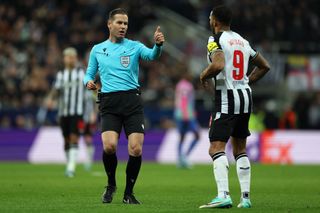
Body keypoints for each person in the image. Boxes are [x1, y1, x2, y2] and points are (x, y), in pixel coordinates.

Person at [83, 8, 165, 204]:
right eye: (119, 23)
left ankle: (129, 193)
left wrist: (158, 45)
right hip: (109, 102)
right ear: (109, 24)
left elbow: (152, 56)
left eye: (125, 24)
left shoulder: (135, 46)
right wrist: (88, 82)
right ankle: (111, 184)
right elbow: (89, 73)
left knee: (136, 149)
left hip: (131, 102)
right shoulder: (97, 49)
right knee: (109, 146)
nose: (123, 27)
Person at [199, 5, 270, 209]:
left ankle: (223, 195)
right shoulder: (242, 40)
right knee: (240, 149)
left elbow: (219, 64)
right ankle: (245, 198)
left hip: (226, 99)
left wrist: (203, 75)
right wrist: (246, 81)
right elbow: (265, 66)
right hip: (245, 98)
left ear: (214, 21)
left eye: (210, 18)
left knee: (216, 148)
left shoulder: (216, 39)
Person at [46, 47, 92, 178]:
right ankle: (69, 163)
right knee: (66, 139)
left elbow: (90, 88)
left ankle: (71, 167)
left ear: (76, 58)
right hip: (63, 112)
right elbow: (56, 90)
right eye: (68, 57)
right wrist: (50, 99)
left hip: (77, 111)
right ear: (64, 59)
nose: (70, 59)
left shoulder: (82, 73)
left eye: (73, 56)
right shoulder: (61, 74)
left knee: (74, 136)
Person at [174, 73, 199, 168]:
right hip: (186, 114)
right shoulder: (186, 86)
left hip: (180, 113)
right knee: (197, 135)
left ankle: (181, 159)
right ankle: (183, 158)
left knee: (182, 137)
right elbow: (184, 99)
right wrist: (186, 114)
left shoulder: (179, 84)